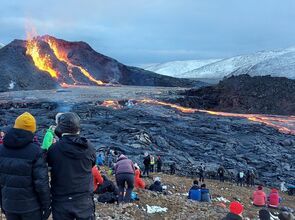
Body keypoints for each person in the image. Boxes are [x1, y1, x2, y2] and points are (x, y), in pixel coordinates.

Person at [0, 112, 51, 220]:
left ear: (15, 126)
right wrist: (46, 205)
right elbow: (41, 183)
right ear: (33, 130)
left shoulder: (1, 150)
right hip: (31, 207)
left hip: (9, 205)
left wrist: (2, 203)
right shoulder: (36, 151)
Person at [46, 112, 96, 220]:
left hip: (61, 199)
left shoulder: (54, 149)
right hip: (84, 199)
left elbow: (48, 166)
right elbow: (92, 164)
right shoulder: (89, 147)